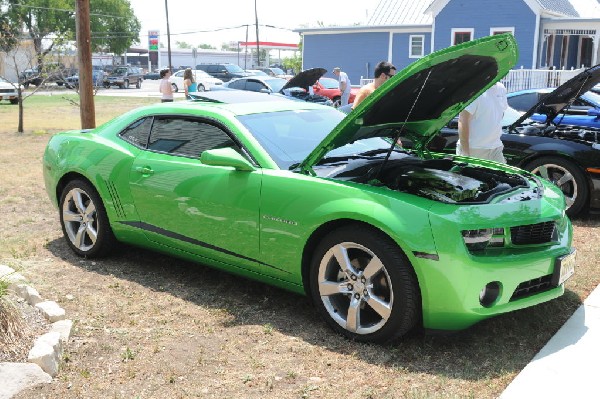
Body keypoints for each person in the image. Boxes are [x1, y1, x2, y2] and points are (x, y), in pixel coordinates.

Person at [457, 81, 508, 163]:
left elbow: (500, 114)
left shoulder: (501, 88)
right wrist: (465, 153)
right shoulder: (476, 90)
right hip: (474, 149)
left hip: (496, 147)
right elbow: (463, 120)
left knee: (503, 175)